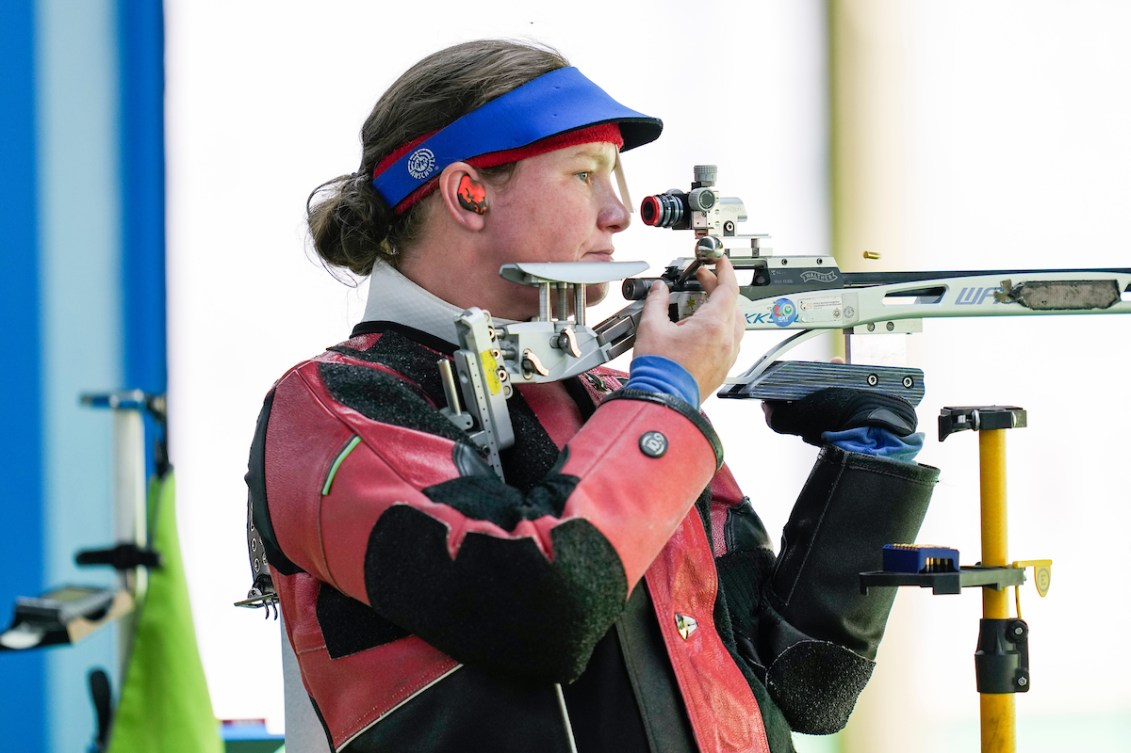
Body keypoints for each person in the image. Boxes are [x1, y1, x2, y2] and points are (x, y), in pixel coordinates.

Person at [244, 38, 940, 753]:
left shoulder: (622, 402)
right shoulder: (333, 403)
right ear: (467, 194)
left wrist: (869, 468)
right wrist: (666, 400)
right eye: (585, 175)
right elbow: (538, 605)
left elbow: (805, 683)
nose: (618, 213)